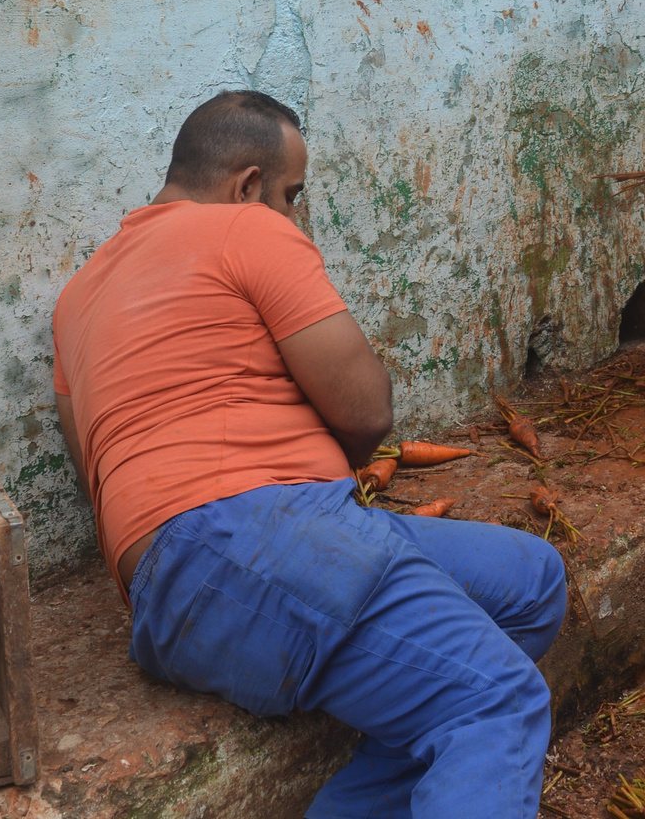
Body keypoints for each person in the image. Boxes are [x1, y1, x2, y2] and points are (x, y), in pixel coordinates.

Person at [52, 90, 566, 818]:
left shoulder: (75, 300)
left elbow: (94, 481)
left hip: (166, 599)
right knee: (497, 699)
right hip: (262, 534)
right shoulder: (244, 230)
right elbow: (365, 412)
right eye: (292, 196)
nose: (293, 216)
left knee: (532, 582)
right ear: (248, 185)